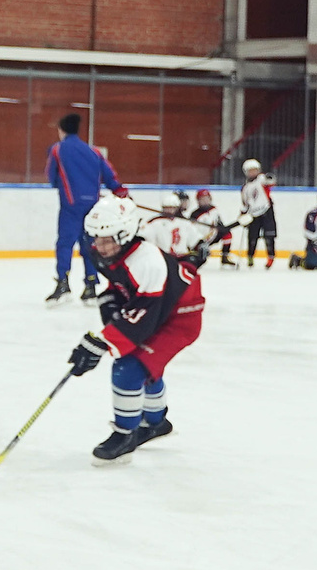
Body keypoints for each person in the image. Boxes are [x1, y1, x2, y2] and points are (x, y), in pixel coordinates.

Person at [67, 197, 206, 461]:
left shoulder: (148, 262)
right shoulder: (109, 251)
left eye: (108, 239)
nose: (101, 246)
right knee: (146, 366)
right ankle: (155, 423)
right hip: (159, 306)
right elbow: (122, 285)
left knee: (128, 367)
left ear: (126, 234)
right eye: (97, 238)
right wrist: (109, 300)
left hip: (179, 318)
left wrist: (100, 343)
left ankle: (125, 435)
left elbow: (143, 319)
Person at [45, 113, 124, 304]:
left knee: (65, 244)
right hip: (92, 207)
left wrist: (63, 187)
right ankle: (90, 285)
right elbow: (110, 175)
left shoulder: (57, 150)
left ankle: (63, 283)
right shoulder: (94, 152)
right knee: (90, 245)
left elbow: (52, 177)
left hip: (70, 206)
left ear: (61, 130)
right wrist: (120, 191)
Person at [239, 158, 278, 268]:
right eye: (250, 170)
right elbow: (245, 203)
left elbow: (271, 181)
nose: (253, 172)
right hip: (253, 215)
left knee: (269, 236)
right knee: (252, 237)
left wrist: (270, 177)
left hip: (267, 211)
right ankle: (250, 256)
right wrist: (243, 215)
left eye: (255, 170)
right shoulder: (245, 188)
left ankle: (271, 257)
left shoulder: (261, 179)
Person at [187, 188, 237, 268]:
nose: (205, 201)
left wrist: (223, 228)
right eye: (202, 199)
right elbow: (191, 231)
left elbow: (219, 223)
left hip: (212, 235)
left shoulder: (214, 210)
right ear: (198, 201)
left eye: (207, 198)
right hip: (200, 239)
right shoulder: (195, 215)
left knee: (227, 234)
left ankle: (225, 257)